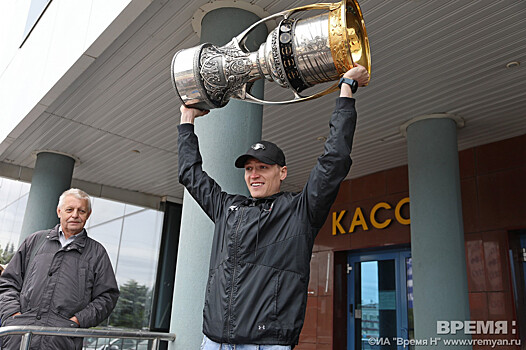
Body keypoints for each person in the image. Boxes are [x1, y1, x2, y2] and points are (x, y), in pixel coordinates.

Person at [178, 64, 370, 349]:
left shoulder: (300, 210)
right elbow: (190, 174)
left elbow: (334, 160)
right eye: (249, 169)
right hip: (214, 340)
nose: (253, 175)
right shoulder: (227, 208)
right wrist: (187, 119)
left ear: (282, 172)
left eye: (263, 167)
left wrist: (346, 90)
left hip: (266, 343)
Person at [0, 188, 120, 350]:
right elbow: (8, 282)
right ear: (59, 211)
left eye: (81, 211)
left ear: (88, 214)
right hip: (19, 337)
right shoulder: (35, 241)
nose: (75, 215)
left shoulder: (97, 253)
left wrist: (77, 321)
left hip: (61, 340)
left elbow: (107, 297)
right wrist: (12, 315)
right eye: (69, 209)